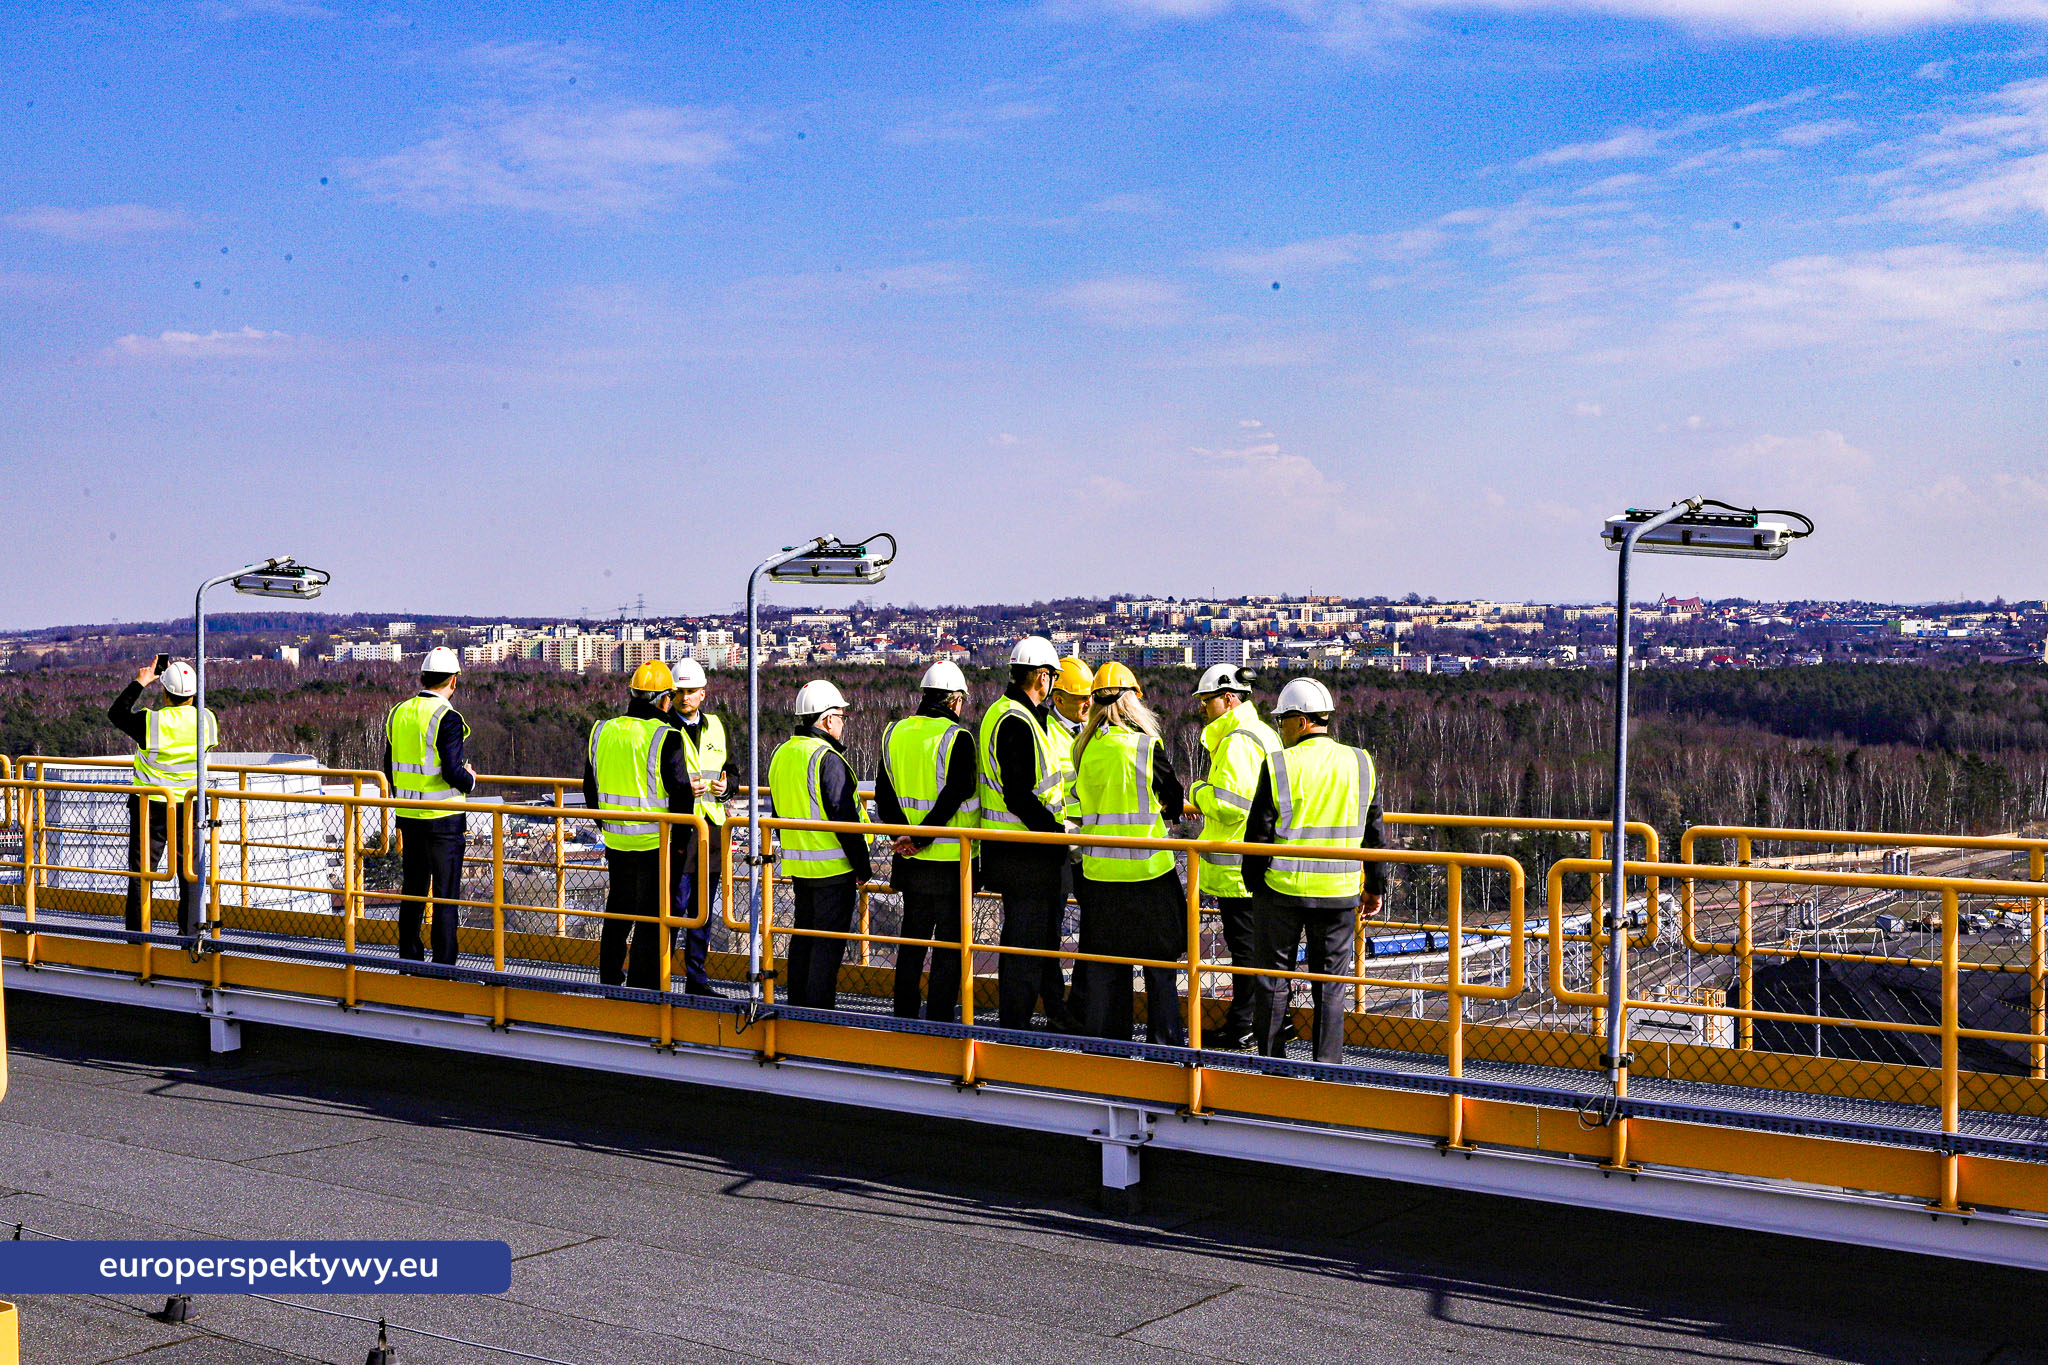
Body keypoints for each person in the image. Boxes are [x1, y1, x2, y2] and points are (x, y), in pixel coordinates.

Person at [1242, 677, 1386, 1064]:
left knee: (1272, 981)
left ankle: (1272, 1066)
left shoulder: (1279, 764)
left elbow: (1258, 837)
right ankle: (1328, 1071)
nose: (1281, 729)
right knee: (1331, 985)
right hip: (1339, 894)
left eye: (1283, 721)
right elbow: (1374, 835)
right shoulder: (1361, 761)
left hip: (1281, 892)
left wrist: (1254, 885)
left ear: (1302, 721)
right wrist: (1374, 888)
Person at [1070, 663, 1186, 1045]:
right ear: (1131, 700)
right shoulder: (1145, 746)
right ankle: (1164, 1048)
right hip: (1149, 875)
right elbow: (1173, 799)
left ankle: (1108, 1049)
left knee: (1107, 971)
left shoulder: (1083, 748)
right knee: (1159, 970)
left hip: (1100, 875)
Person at [976, 636, 1077, 1031]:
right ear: (1040, 677)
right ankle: (1015, 1024)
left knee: (1038, 939)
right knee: (1025, 942)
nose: (1052, 685)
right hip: (1026, 852)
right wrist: (1057, 831)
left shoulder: (1007, 713)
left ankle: (1054, 1011)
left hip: (1017, 850)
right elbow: (1018, 794)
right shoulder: (1017, 721)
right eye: (1051, 677)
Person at [872, 661, 977, 1021]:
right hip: (949, 862)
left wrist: (904, 835)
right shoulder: (957, 738)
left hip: (910, 860)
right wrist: (922, 837)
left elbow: (884, 796)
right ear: (954, 701)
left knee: (912, 940)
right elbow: (957, 793)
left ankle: (904, 1011)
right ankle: (941, 1015)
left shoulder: (894, 733)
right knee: (948, 946)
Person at [582, 661, 697, 989]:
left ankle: (610, 985)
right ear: (663, 700)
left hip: (616, 843)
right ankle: (643, 990)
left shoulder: (601, 730)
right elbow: (682, 798)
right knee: (652, 921)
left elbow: (591, 788)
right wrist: (679, 846)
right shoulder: (666, 737)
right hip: (655, 846)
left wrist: (607, 826)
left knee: (617, 916)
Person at [1188, 663, 1281, 1049]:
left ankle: (1244, 1027)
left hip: (1238, 869)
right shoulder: (1263, 734)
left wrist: (1196, 792)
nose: (1204, 709)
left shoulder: (1237, 741)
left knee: (1246, 955)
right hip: (1260, 862)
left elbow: (1229, 805)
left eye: (1208, 701)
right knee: (1257, 951)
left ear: (1228, 698)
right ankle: (1273, 1021)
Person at [768, 679, 872, 1010]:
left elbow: (778, 812)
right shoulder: (828, 760)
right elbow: (846, 821)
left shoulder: (781, 754)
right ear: (828, 719)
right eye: (841, 715)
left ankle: (797, 1006)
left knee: (804, 939)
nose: (843, 723)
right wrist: (863, 867)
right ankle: (818, 1012)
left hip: (800, 866)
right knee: (827, 946)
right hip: (833, 868)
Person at [107, 658, 217, 935]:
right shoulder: (206, 719)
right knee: (190, 872)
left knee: (142, 871)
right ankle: (191, 935)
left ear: (164, 692)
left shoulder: (151, 722)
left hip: (151, 806)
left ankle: (138, 935)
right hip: (192, 806)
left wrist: (142, 680)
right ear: (193, 694)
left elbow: (116, 713)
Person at [382, 646, 478, 965]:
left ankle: (409, 959)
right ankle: (444, 965)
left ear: (422, 677)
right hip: (444, 820)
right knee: (445, 897)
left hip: (409, 816)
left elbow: (389, 765)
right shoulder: (447, 717)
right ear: (453, 682)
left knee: (413, 891)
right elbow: (451, 771)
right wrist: (470, 779)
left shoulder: (399, 712)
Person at [667, 658, 739, 995]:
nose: (685, 697)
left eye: (691, 691)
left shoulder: (716, 727)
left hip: (711, 831)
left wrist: (729, 787)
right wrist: (683, 791)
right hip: (679, 831)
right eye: (680, 692)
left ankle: (697, 978)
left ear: (703, 693)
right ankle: (663, 975)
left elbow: (731, 769)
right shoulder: (664, 729)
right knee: (675, 907)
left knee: (703, 911)